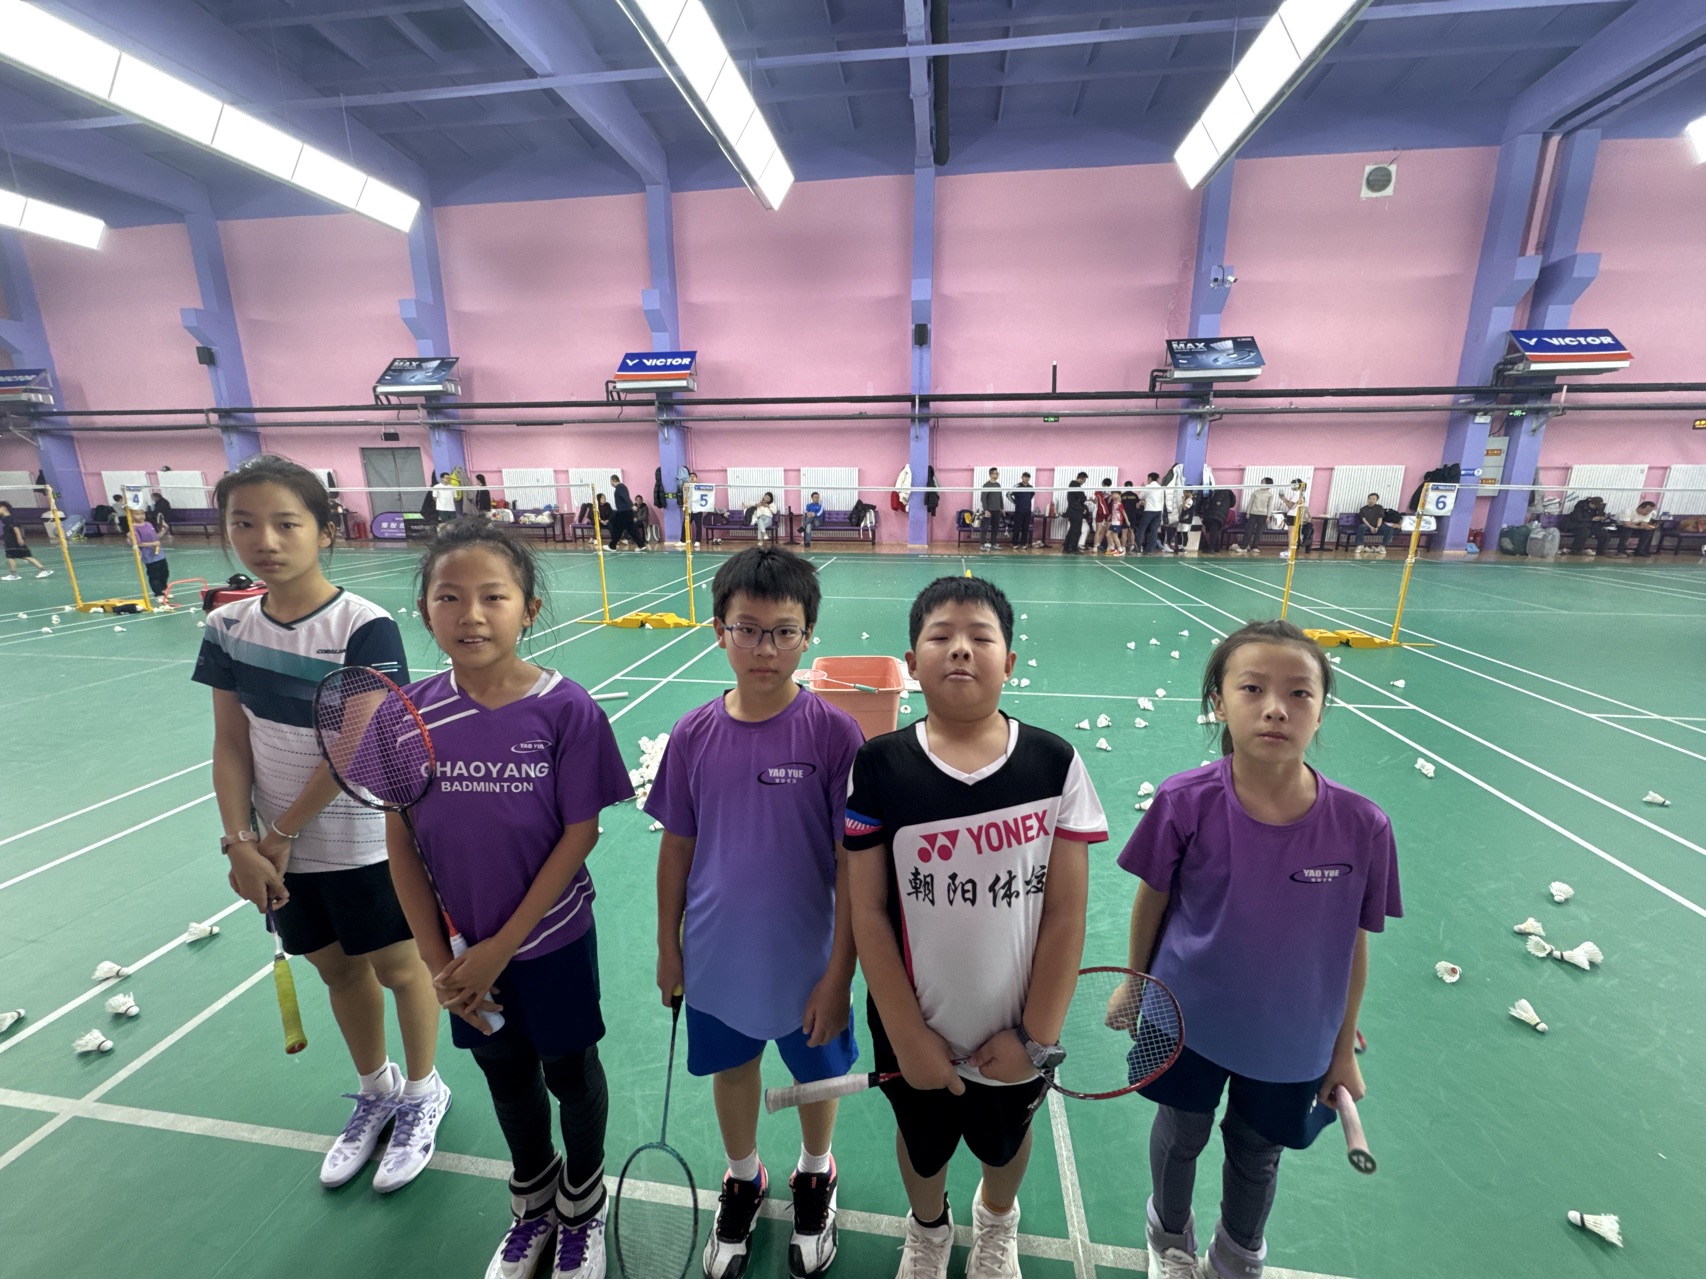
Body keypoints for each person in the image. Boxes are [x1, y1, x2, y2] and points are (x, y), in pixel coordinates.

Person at [193, 455, 446, 1195]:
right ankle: (376, 1088)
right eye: (245, 524)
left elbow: (354, 748)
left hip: (364, 841)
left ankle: (423, 1090)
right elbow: (230, 742)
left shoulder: (364, 626)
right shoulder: (226, 626)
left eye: (286, 523)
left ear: (324, 530)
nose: (265, 540)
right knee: (337, 970)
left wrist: (279, 833)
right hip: (277, 851)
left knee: (399, 969)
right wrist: (240, 842)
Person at [1119, 618, 1402, 1279]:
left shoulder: (1363, 825)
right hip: (1184, 1016)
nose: (1276, 707)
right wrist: (1135, 983)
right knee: (1181, 1132)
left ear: (1321, 709)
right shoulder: (1183, 800)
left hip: (1291, 1039)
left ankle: (1237, 1255)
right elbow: (1152, 899)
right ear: (1218, 703)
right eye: (1252, 688)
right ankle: (1169, 1237)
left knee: (1257, 1152)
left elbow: (1353, 942)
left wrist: (1341, 1047)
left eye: (1300, 692)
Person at [844, 576, 1107, 1279]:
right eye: (941, 636)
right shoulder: (879, 765)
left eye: (980, 637)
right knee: (921, 1144)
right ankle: (929, 1227)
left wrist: (1034, 1038)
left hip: (1013, 1031)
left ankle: (996, 1220)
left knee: (1004, 1144)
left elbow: (1066, 914)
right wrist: (907, 1035)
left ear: (1009, 661)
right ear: (911, 661)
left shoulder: (1054, 763)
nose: (960, 648)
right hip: (912, 1025)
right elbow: (868, 910)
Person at [392, 519, 631, 1279]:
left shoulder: (567, 709)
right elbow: (402, 845)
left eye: (493, 596)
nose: (471, 614)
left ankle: (582, 1205)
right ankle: (533, 1200)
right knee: (505, 1075)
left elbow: (580, 833)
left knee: (570, 1071)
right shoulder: (408, 714)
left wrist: (500, 947)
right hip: (462, 956)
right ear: (425, 611)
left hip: (551, 940)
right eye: (449, 597)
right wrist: (439, 961)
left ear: (528, 609)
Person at [646, 548, 864, 1279]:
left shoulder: (834, 735)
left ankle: (815, 1170)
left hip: (808, 957)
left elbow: (852, 862)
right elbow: (677, 846)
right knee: (734, 1069)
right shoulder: (692, 734)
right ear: (719, 631)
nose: (764, 648)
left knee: (815, 1078)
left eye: (783, 631)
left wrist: (841, 971)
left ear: (808, 636)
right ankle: (743, 1176)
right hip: (715, 953)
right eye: (747, 629)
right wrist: (668, 947)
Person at [0, 501, 53, 579]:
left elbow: (16, 528)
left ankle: (14, 575)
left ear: (3, 508)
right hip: (11, 540)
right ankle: (44, 570)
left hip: (13, 541)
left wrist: (19, 538)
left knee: (11, 556)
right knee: (25, 556)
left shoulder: (9, 518)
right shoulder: (5, 518)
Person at [1233, 478, 1278, 556]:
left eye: (1264, 482)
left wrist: (1268, 516)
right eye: (1262, 482)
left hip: (1263, 515)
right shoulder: (1255, 492)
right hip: (1253, 513)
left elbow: (1269, 506)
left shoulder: (1270, 494)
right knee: (1249, 530)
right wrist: (1248, 512)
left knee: (1259, 531)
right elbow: (1250, 502)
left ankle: (1254, 546)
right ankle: (1244, 547)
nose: (1262, 484)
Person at [132, 514, 170, 601]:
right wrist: (153, 544)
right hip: (148, 556)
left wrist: (165, 530)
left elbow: (155, 537)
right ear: (132, 516)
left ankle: (163, 590)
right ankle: (158, 594)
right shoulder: (133, 528)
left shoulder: (148, 524)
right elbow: (137, 543)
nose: (141, 516)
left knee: (164, 573)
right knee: (154, 575)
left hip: (159, 553)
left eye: (142, 514)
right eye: (137, 514)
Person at [608, 474, 646, 551]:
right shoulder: (621, 487)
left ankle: (612, 546)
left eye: (610, 481)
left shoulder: (620, 487)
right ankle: (641, 545)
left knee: (618, 529)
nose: (610, 483)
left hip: (623, 512)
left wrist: (632, 505)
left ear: (613, 480)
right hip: (626, 512)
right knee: (631, 529)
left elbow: (626, 497)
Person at [1198, 488, 1236, 555]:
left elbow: (1215, 502)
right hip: (1221, 516)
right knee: (1215, 532)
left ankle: (1211, 548)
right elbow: (1231, 505)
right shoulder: (1229, 497)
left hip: (1214, 515)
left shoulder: (1221, 492)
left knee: (1213, 532)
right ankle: (1216, 548)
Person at [1280, 480, 1314, 554]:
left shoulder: (1296, 494)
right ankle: (1291, 550)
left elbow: (1290, 506)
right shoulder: (1301, 495)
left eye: (1292, 484)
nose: (1291, 486)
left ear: (1296, 485)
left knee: (1291, 534)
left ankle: (1290, 551)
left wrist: (1284, 499)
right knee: (1293, 533)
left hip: (1293, 515)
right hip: (1296, 515)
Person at [1136, 473, 1165, 555]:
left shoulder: (1148, 487)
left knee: (1142, 528)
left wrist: (1143, 489)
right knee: (1154, 530)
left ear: (1150, 478)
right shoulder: (1161, 488)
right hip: (1159, 511)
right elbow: (1162, 500)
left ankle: (1138, 547)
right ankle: (1150, 549)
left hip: (1149, 510)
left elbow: (1140, 496)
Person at [1062, 472, 1089, 554]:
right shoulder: (1076, 486)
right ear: (1081, 478)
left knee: (1072, 530)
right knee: (1076, 531)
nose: (1084, 482)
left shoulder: (1072, 485)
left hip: (1072, 511)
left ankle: (1066, 547)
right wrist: (1084, 499)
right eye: (1084, 480)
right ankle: (1074, 548)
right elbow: (1083, 498)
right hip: (1076, 511)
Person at [1008, 474, 1035, 551]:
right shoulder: (1017, 486)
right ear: (1022, 477)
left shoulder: (1031, 487)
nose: (1026, 478)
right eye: (1025, 477)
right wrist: (1015, 502)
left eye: (1028, 477)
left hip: (1028, 511)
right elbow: (1008, 494)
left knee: (1025, 528)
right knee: (1017, 527)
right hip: (1019, 511)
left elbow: (1031, 496)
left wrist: (1026, 502)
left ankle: (1023, 543)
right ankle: (1015, 543)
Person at [980, 469, 1005, 553]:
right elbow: (983, 498)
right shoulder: (986, 485)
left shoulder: (998, 485)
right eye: (995, 473)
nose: (996, 475)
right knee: (985, 528)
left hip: (997, 511)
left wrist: (1001, 507)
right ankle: (982, 544)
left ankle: (993, 544)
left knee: (995, 528)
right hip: (989, 511)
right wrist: (986, 510)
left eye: (997, 473)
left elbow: (1000, 497)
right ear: (990, 474)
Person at [1091, 479, 1117, 554]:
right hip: (1108, 512)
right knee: (1108, 530)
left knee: (1098, 530)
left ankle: (1095, 547)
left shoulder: (1099, 491)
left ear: (1102, 483)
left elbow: (1095, 501)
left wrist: (1091, 499)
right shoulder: (1112, 492)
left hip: (1100, 511)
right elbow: (1113, 503)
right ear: (1110, 484)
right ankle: (1109, 547)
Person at [1120, 482, 1141, 554]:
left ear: (1125, 486)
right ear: (1132, 486)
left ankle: (1123, 547)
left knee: (1124, 531)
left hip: (1124, 515)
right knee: (1131, 530)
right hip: (1133, 515)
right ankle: (1132, 546)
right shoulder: (1135, 495)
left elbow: (1120, 507)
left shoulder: (1122, 495)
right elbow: (1137, 506)